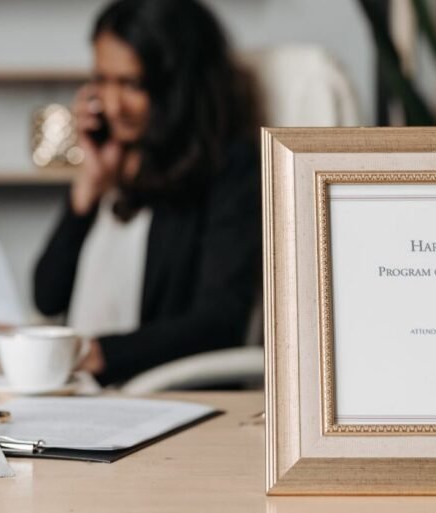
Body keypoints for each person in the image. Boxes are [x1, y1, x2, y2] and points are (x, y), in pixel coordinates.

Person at [33, 0, 261, 386]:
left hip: (158, 395)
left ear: (177, 85)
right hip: (81, 390)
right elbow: (47, 296)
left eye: (132, 84)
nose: (112, 105)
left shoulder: (229, 168)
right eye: (102, 80)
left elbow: (221, 321)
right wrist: (88, 187)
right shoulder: (113, 157)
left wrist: (100, 354)